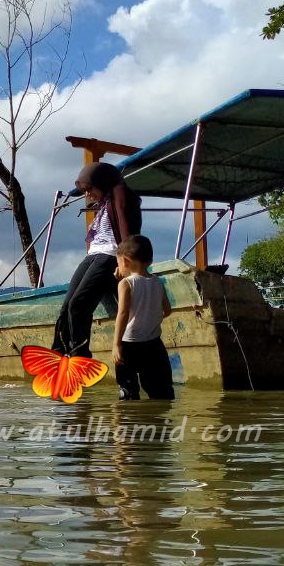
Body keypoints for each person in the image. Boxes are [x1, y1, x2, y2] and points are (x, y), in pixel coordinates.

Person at [52, 161, 142, 358]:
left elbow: (129, 231)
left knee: (79, 304)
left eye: (90, 189)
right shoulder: (104, 203)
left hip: (110, 255)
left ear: (103, 183)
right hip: (93, 255)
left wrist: (124, 262)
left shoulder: (121, 194)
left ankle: (79, 354)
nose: (87, 194)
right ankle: (58, 353)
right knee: (66, 306)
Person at [112, 235, 174, 401]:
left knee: (128, 392)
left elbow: (123, 314)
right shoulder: (157, 282)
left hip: (129, 344)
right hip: (154, 345)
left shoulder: (125, 284)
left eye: (118, 263)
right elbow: (167, 310)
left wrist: (117, 344)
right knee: (161, 391)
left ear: (125, 261)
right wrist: (151, 318)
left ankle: (128, 425)